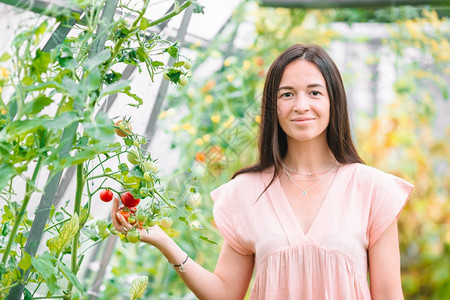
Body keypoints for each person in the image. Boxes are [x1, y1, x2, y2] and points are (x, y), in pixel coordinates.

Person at [112, 44, 414, 299]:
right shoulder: (247, 191)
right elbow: (226, 292)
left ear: (334, 100)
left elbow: (389, 294)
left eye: (314, 93)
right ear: (273, 106)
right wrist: (163, 240)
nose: (300, 105)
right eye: (287, 94)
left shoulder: (372, 189)